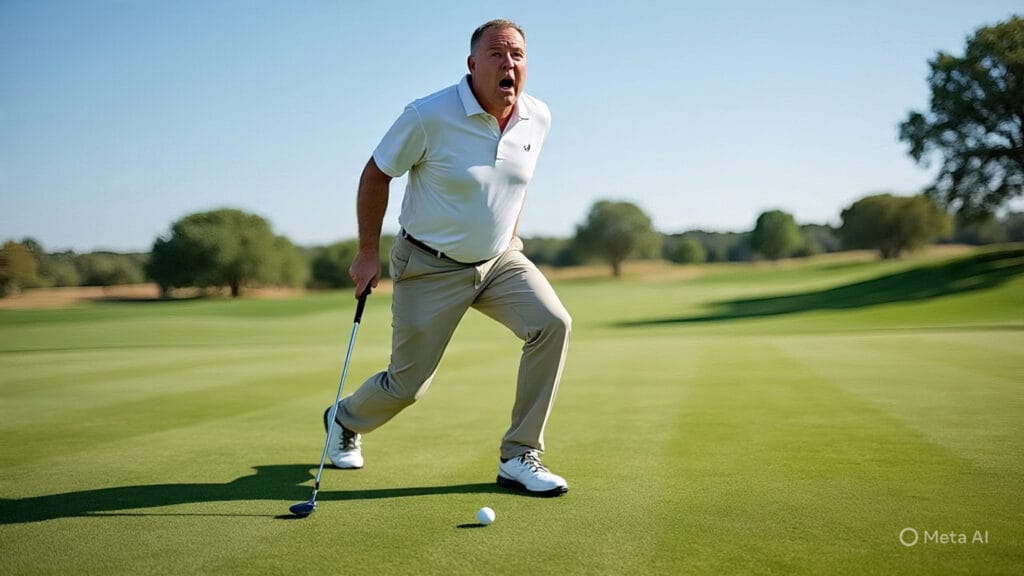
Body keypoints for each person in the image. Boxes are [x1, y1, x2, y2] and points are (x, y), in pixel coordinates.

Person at [324, 19, 572, 496]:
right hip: (429, 264)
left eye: (517, 55)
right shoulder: (428, 115)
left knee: (552, 323)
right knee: (407, 385)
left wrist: (508, 236)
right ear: (472, 64)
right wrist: (367, 253)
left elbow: (516, 183)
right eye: (497, 55)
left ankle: (520, 454)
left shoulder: (536, 117)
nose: (509, 64)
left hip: (500, 261)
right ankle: (344, 418)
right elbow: (376, 175)